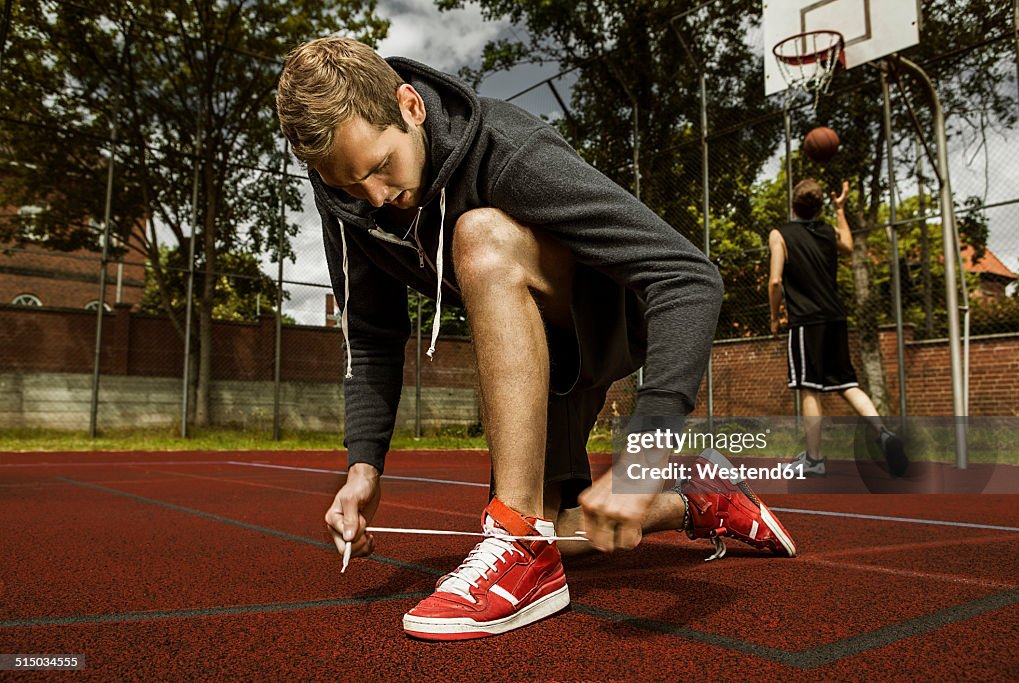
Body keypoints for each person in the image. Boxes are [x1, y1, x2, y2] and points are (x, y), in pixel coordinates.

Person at [277, 36, 796, 641]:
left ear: (411, 107)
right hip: (536, 353)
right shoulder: (350, 201)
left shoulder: (509, 149)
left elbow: (686, 276)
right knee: (561, 529)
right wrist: (363, 467)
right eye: (346, 186)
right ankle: (696, 499)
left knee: (481, 235)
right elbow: (371, 335)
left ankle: (516, 537)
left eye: (379, 168)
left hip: (602, 323)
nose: (374, 199)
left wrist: (645, 451)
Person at [769, 178, 907, 478]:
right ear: (820, 208)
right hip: (836, 318)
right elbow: (848, 244)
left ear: (793, 204)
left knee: (809, 388)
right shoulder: (828, 231)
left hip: (806, 321)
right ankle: (883, 433)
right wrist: (840, 209)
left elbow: (776, 281)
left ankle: (815, 460)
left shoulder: (780, 234)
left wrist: (774, 317)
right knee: (847, 384)